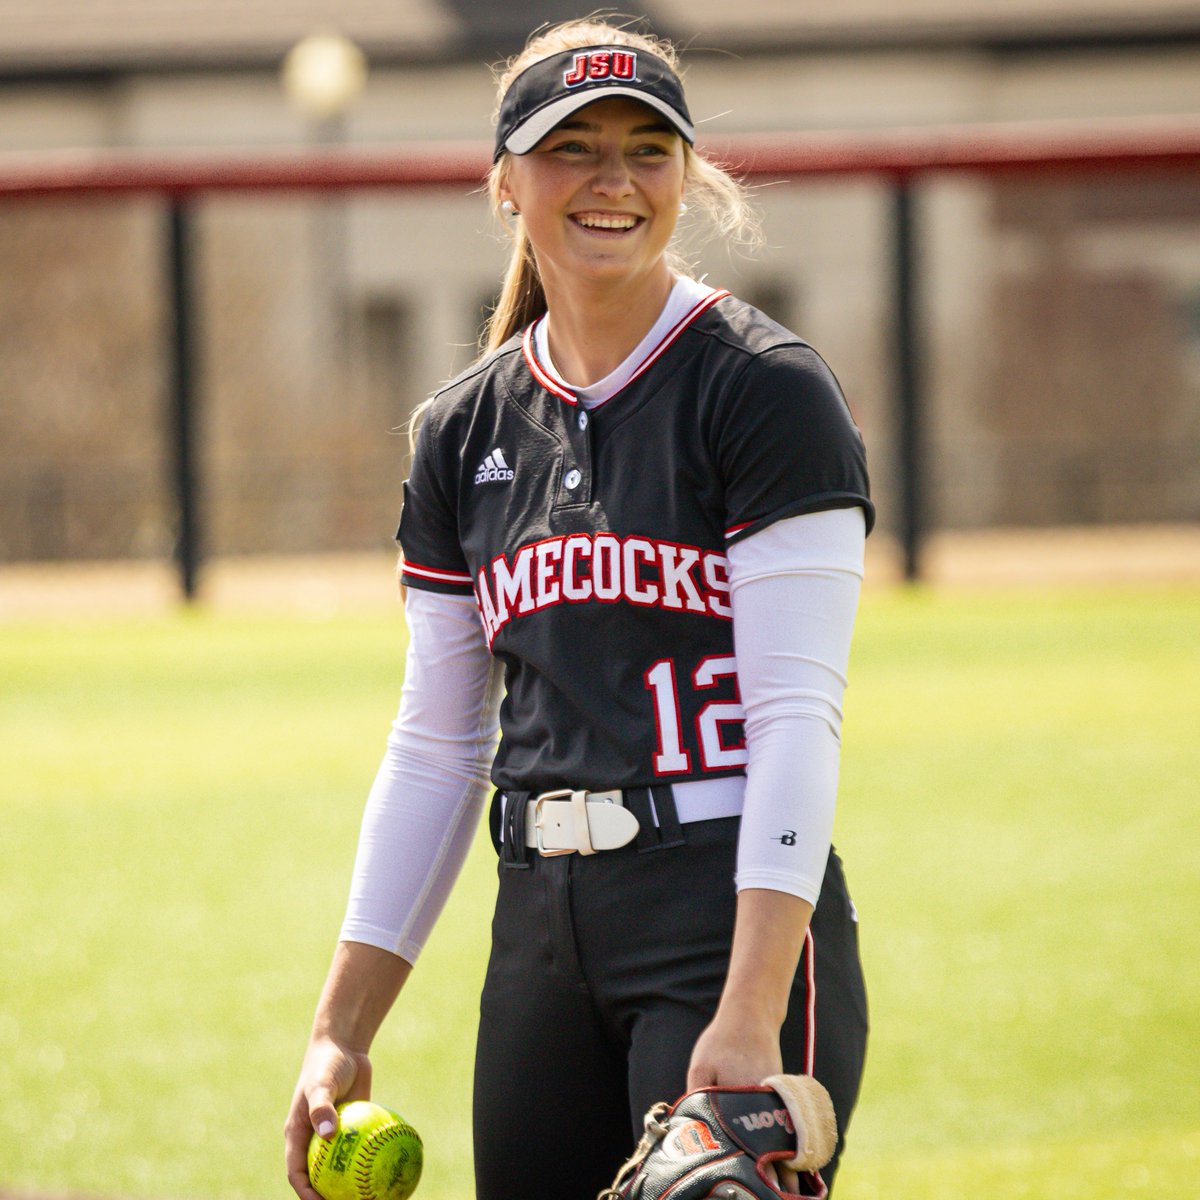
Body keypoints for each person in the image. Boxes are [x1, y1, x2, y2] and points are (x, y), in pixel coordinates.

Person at [285, 18, 872, 1200]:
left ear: (686, 177)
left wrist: (751, 1014)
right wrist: (341, 1023)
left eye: (648, 151)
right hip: (540, 937)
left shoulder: (760, 388)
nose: (613, 181)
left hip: (723, 906)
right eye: (573, 148)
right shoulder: (463, 429)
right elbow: (440, 744)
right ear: (505, 181)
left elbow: (796, 722)